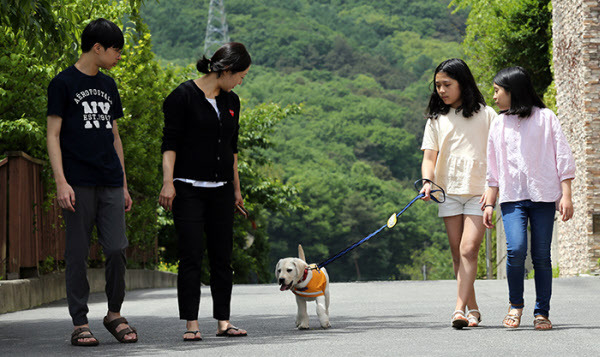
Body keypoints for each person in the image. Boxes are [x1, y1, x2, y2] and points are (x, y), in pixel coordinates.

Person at [46, 18, 137, 346]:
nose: (119, 56)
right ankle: (79, 321)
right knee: (78, 252)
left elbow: (114, 135)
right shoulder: (62, 84)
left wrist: (124, 184)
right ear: (97, 48)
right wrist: (61, 182)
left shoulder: (109, 85)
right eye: (116, 50)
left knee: (116, 248)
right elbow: (53, 135)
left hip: (110, 180)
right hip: (78, 182)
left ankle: (114, 313)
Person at [159, 42, 251, 341]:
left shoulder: (232, 101)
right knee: (191, 256)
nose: (241, 81)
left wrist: (237, 190)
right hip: (188, 189)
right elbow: (170, 145)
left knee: (222, 256)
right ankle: (191, 324)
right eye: (240, 75)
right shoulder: (181, 97)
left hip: (222, 190)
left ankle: (224, 322)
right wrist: (168, 182)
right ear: (225, 70)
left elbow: (232, 150)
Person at [483, 66, 575, 330]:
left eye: (498, 91)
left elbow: (563, 157)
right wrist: (489, 202)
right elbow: (493, 167)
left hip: (544, 196)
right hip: (512, 197)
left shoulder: (546, 118)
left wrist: (566, 195)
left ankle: (541, 312)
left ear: (514, 91)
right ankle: (515, 305)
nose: (494, 96)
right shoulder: (498, 123)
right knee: (516, 249)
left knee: (542, 255)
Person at [420, 58, 497, 329]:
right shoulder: (436, 119)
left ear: (463, 84)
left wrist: (493, 189)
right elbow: (430, 158)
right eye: (438, 85)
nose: (441, 90)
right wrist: (427, 182)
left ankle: (458, 309)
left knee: (468, 249)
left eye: (447, 84)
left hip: (479, 192)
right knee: (457, 254)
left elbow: (498, 155)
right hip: (448, 191)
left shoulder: (487, 115)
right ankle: (473, 309)